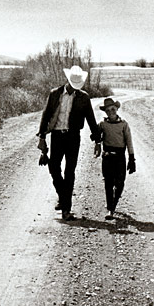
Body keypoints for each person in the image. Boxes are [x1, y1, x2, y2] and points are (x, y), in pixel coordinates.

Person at [37, 65, 101, 221]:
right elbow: (46, 116)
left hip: (73, 137)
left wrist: (97, 141)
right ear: (68, 80)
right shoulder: (55, 94)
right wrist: (42, 137)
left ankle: (66, 209)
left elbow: (91, 120)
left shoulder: (84, 98)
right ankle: (63, 195)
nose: (74, 88)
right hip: (57, 136)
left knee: (70, 171)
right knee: (53, 167)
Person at [96, 96, 136, 221]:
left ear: (116, 109)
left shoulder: (124, 124)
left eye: (112, 109)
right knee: (108, 182)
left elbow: (129, 141)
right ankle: (110, 209)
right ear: (105, 112)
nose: (111, 112)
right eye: (108, 111)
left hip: (120, 157)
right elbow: (96, 135)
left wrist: (131, 158)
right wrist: (97, 142)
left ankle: (114, 202)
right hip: (107, 157)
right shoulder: (102, 124)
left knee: (120, 183)